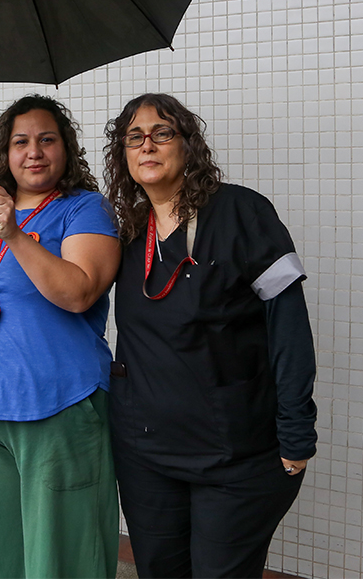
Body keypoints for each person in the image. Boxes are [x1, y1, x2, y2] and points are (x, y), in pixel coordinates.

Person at [102, 93, 318, 579]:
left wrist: (296, 430)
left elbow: (288, 327)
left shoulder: (242, 212)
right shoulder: (129, 231)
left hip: (234, 457)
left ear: (188, 145)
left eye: (162, 133)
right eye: (134, 137)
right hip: (146, 456)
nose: (147, 145)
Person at [0, 94, 122, 579]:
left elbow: (79, 292)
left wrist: (15, 236)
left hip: (57, 405)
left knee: (62, 557)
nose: (34, 152)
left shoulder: (85, 210)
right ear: (3, 153)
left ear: (66, 149)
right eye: (20, 142)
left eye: (47, 140)